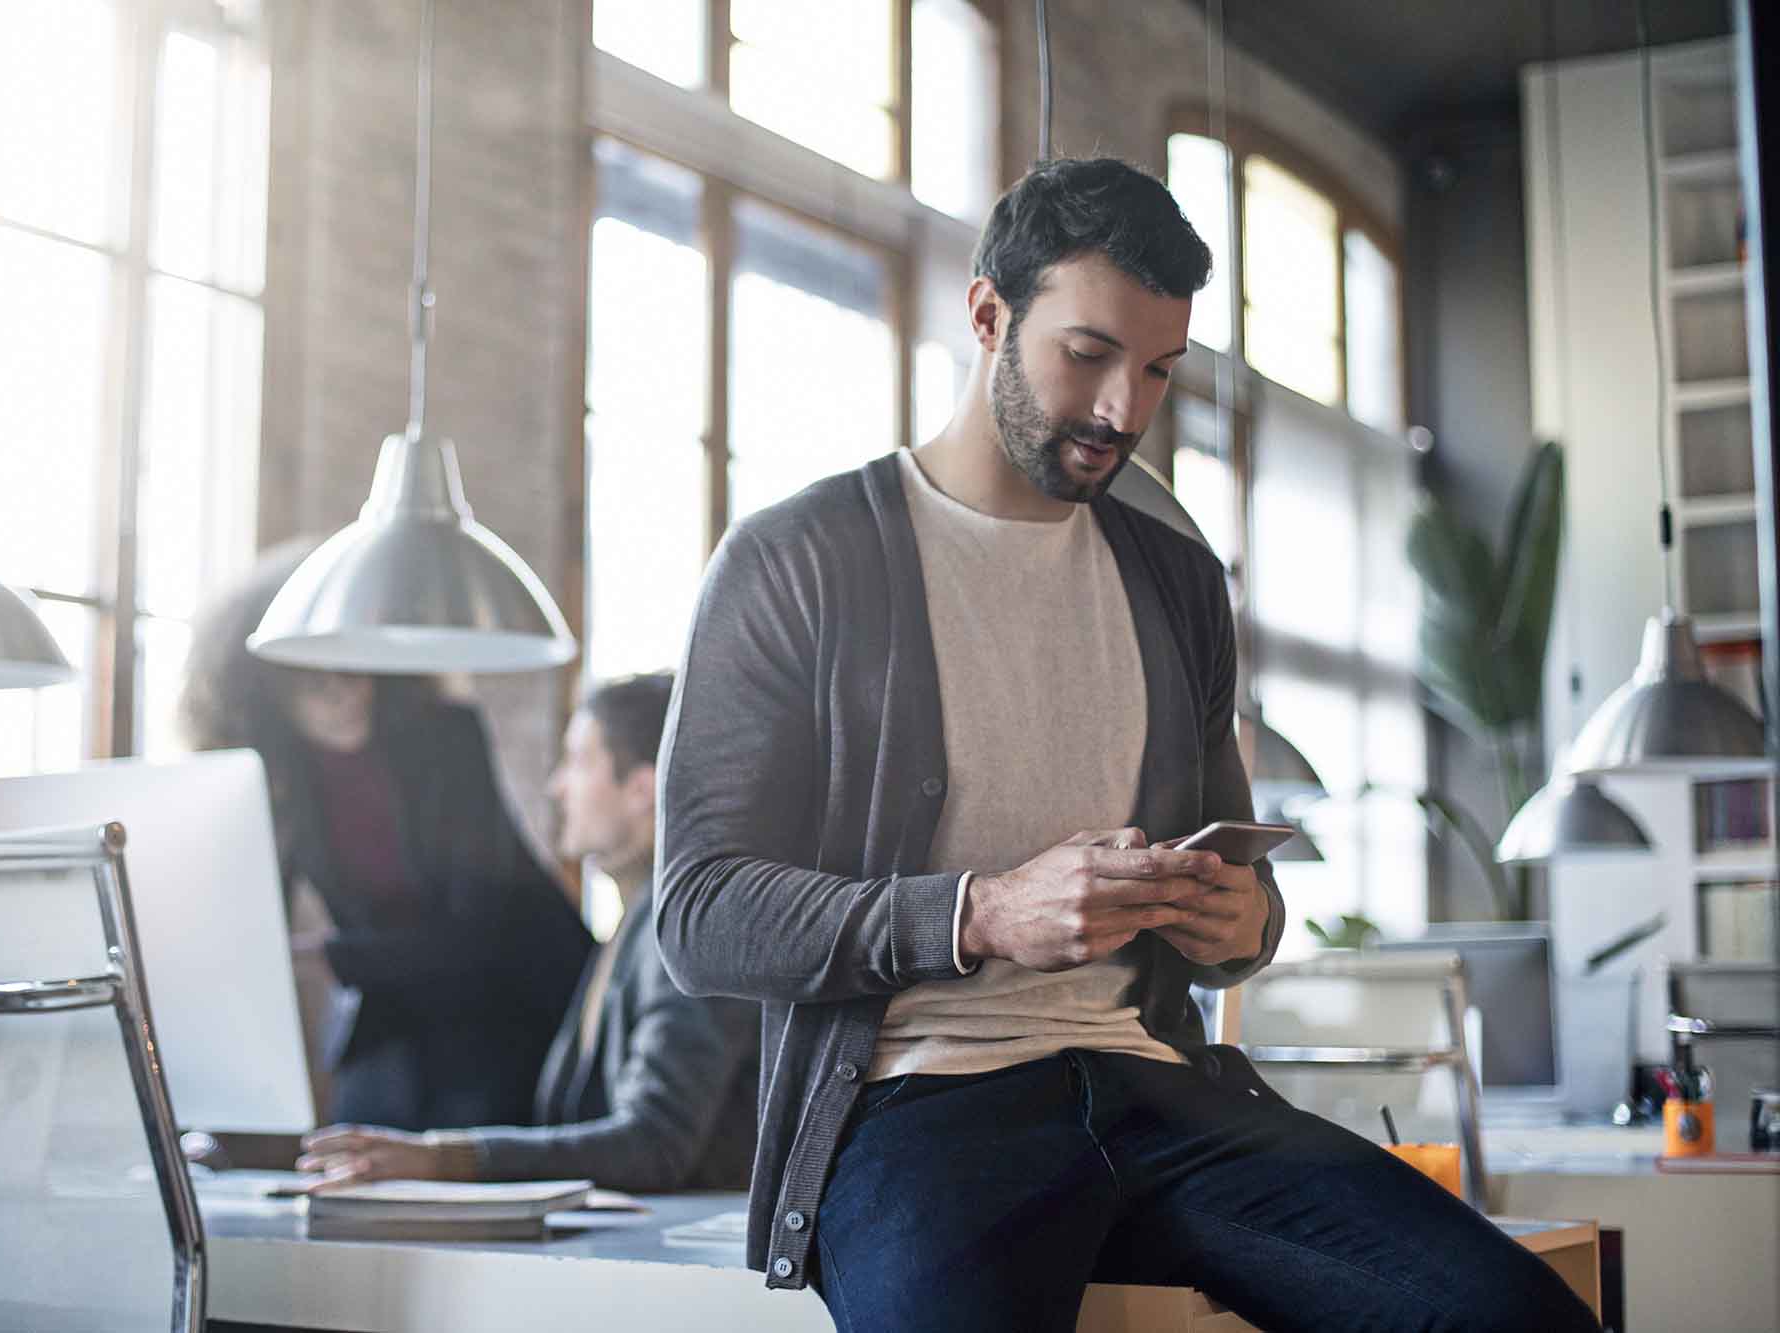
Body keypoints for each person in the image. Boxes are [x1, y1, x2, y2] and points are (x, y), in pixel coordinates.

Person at [653, 157, 1598, 1332]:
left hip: (1167, 1095)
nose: (1122, 411)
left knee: (1519, 1314)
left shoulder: (1177, 580)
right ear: (987, 313)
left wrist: (1235, 919)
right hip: (916, 1107)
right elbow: (698, 914)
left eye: (1156, 369)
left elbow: (1243, 913)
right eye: (1087, 354)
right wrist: (979, 911)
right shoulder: (795, 560)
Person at [180, 541, 591, 1132]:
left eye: (353, 664)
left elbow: (483, 928)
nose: (345, 691)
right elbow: (252, 912)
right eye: (312, 678)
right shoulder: (277, 775)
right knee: (352, 1145)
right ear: (262, 688)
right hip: (397, 1002)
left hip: (512, 995)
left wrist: (332, 957)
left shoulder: (447, 737)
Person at [293, 673, 759, 1194]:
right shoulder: (633, 925)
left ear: (641, 789)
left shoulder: (688, 930)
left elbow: (656, 1142)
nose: (556, 786)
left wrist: (442, 1160)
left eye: (578, 761)